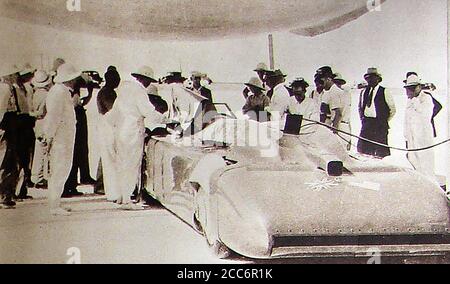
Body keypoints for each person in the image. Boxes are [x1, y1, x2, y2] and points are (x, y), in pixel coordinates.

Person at [112, 66, 168, 210]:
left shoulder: (124, 89)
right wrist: (165, 119)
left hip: (121, 129)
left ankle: (121, 195)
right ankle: (127, 200)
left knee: (122, 163)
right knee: (132, 165)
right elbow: (148, 111)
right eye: (148, 81)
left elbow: (115, 111)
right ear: (144, 79)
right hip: (133, 131)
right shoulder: (139, 91)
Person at [43, 63, 81, 216]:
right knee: (59, 169)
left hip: (64, 137)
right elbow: (54, 116)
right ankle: (54, 205)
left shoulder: (62, 91)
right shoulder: (59, 92)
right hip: (60, 138)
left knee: (62, 169)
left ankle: (56, 202)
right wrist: (49, 136)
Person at [62, 71, 96, 198]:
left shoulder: (69, 92)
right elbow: (77, 104)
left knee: (76, 155)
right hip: (76, 124)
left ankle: (71, 185)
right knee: (76, 154)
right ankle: (69, 185)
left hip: (76, 123)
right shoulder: (72, 93)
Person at [403, 74, 438, 183]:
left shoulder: (426, 98)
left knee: (426, 164)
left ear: (419, 87)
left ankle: (431, 186)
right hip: (412, 138)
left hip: (423, 139)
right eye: (409, 88)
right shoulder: (409, 100)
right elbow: (406, 120)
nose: (410, 91)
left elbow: (425, 115)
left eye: (413, 88)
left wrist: (415, 100)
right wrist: (406, 136)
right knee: (414, 162)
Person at [357, 68, 396, 158]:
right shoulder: (363, 92)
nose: (370, 80)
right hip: (367, 124)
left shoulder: (385, 91)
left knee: (381, 151)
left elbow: (392, 109)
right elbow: (360, 108)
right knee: (364, 151)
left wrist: (384, 120)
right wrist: (363, 120)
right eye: (368, 78)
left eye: (373, 77)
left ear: (378, 79)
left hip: (380, 125)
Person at [95, 66, 121, 198]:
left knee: (106, 155)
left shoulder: (106, 91)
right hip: (107, 125)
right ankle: (101, 186)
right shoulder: (107, 93)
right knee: (108, 156)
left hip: (106, 125)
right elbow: (112, 110)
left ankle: (100, 185)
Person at [0, 65, 22, 209]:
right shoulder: (5, 88)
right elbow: (1, 108)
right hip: (6, 125)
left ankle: (7, 194)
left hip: (10, 124)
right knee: (5, 160)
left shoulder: (10, 88)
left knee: (9, 160)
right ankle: (4, 195)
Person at [14, 64, 37, 199]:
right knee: (20, 158)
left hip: (26, 122)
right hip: (21, 123)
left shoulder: (26, 88)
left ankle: (22, 189)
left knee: (26, 158)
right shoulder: (16, 89)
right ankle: (17, 190)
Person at [30, 70, 53, 188]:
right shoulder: (47, 95)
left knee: (38, 151)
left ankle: (36, 176)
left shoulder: (34, 94)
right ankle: (40, 177)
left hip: (37, 124)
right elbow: (44, 112)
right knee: (46, 151)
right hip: (44, 123)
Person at [333, 73, 352, 150]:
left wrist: (334, 129)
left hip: (338, 126)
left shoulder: (337, 95)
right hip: (345, 126)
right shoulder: (347, 94)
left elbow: (339, 114)